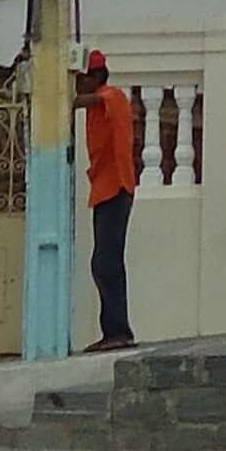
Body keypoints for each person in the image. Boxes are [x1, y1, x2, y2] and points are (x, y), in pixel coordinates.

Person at [78, 48, 142, 350]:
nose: (78, 85)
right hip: (105, 190)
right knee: (104, 262)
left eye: (81, 79)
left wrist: (63, 98)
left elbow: (91, 99)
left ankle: (118, 331)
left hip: (116, 188)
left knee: (106, 263)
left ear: (96, 76)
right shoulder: (98, 105)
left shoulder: (112, 96)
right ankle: (114, 331)